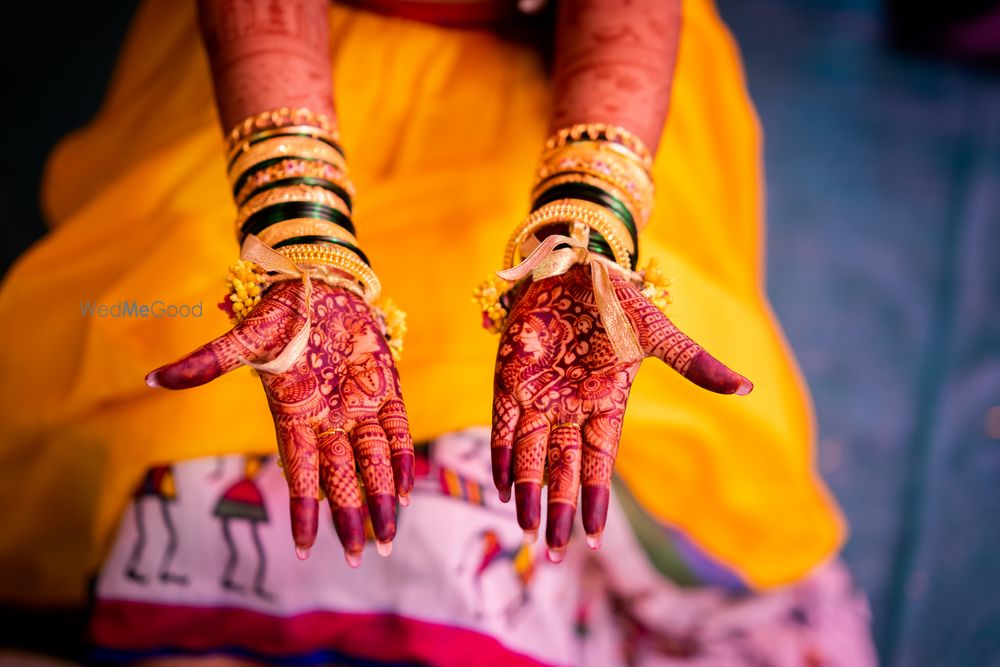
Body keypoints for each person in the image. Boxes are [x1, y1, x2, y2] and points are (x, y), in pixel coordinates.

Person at [0, 0, 877, 664]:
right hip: (276, 71)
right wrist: (297, 224)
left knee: (666, 423)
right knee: (154, 336)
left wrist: (588, 224)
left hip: (599, 88)